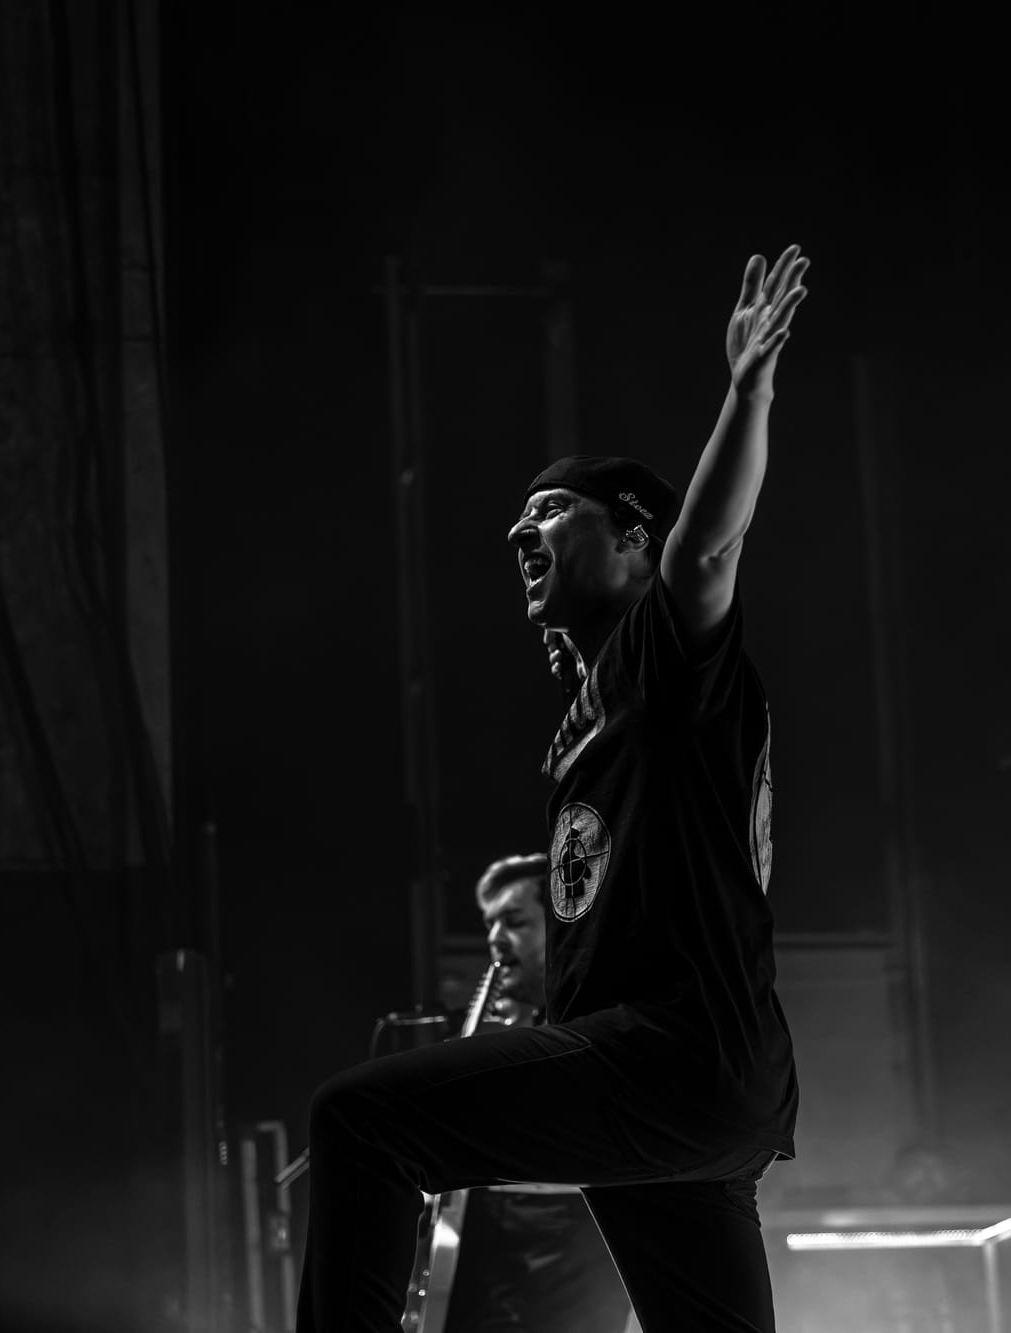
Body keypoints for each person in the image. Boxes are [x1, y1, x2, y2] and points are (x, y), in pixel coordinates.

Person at [296, 243, 810, 1331]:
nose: (520, 530)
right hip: (693, 1092)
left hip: (668, 1058)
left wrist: (747, 389)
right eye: (521, 517)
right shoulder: (596, 712)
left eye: (554, 510)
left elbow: (710, 547)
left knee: (360, 1121)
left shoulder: (664, 661)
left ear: (633, 540)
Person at [441, 853, 634, 1333]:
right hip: (507, 1267)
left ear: (559, 930)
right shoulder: (521, 1026)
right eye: (489, 924)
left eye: (514, 921)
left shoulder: (596, 1022)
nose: (494, 938)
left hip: (565, 1258)